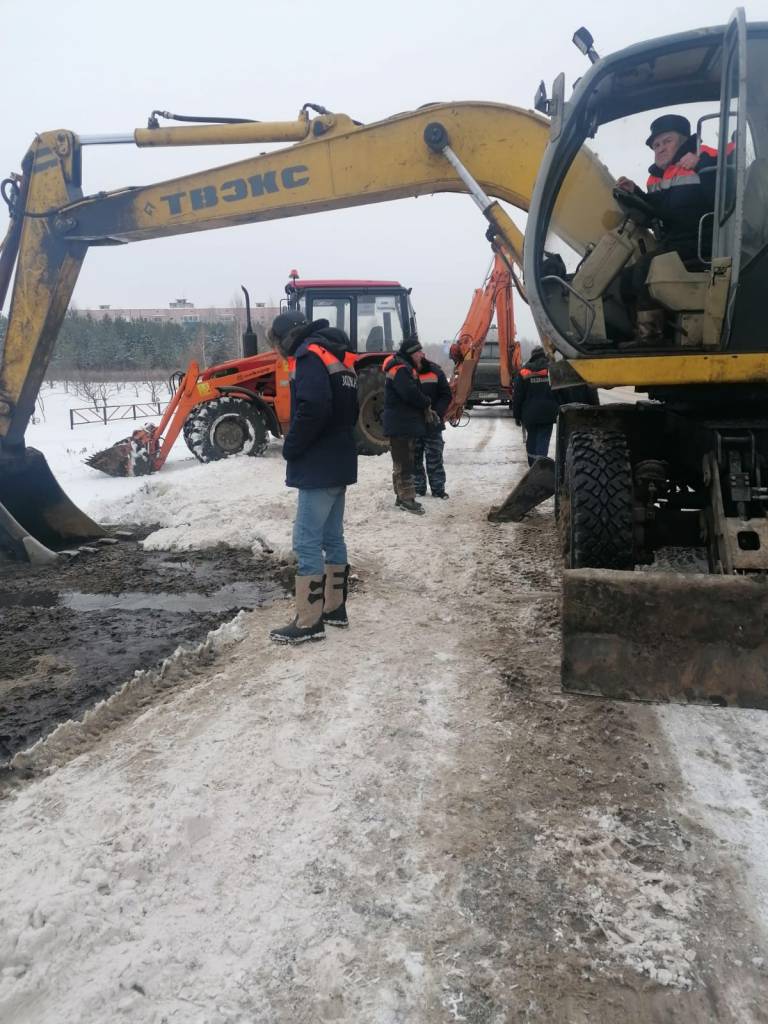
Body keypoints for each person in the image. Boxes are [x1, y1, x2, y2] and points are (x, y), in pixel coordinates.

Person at [266, 310, 359, 644]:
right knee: (332, 538)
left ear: (287, 336)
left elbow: (314, 406)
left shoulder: (308, 355)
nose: (278, 349)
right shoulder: (338, 355)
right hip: (340, 459)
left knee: (306, 542)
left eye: (276, 342)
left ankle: (308, 622)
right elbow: (348, 409)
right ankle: (334, 610)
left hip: (318, 463)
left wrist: (292, 446)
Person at [617, 114, 720, 339]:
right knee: (625, 278)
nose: (660, 149)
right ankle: (634, 332)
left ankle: (651, 337)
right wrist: (634, 192)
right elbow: (655, 213)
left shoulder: (706, 156)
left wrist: (701, 164)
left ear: (683, 141)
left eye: (667, 141)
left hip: (703, 244)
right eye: (656, 145)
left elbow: (726, 192)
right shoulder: (656, 178)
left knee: (646, 267)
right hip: (673, 244)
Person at [382, 338, 438, 515]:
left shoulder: (404, 368)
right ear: (412, 353)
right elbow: (410, 394)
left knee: (402, 461)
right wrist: (426, 402)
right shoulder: (401, 369)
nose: (422, 355)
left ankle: (402, 496)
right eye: (419, 352)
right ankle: (407, 498)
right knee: (404, 462)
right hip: (401, 424)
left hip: (402, 423)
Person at [512, 346, 559, 466]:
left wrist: (517, 415)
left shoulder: (524, 371)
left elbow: (517, 396)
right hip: (548, 414)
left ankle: (533, 465)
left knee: (531, 439)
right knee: (543, 440)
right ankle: (541, 466)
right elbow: (560, 392)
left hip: (529, 415)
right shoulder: (552, 369)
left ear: (532, 356)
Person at [413, 356, 452, 499]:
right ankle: (418, 488)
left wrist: (437, 412)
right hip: (414, 424)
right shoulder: (408, 372)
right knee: (414, 458)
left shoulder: (436, 372)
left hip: (433, 424)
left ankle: (438, 490)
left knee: (435, 458)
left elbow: (446, 395)